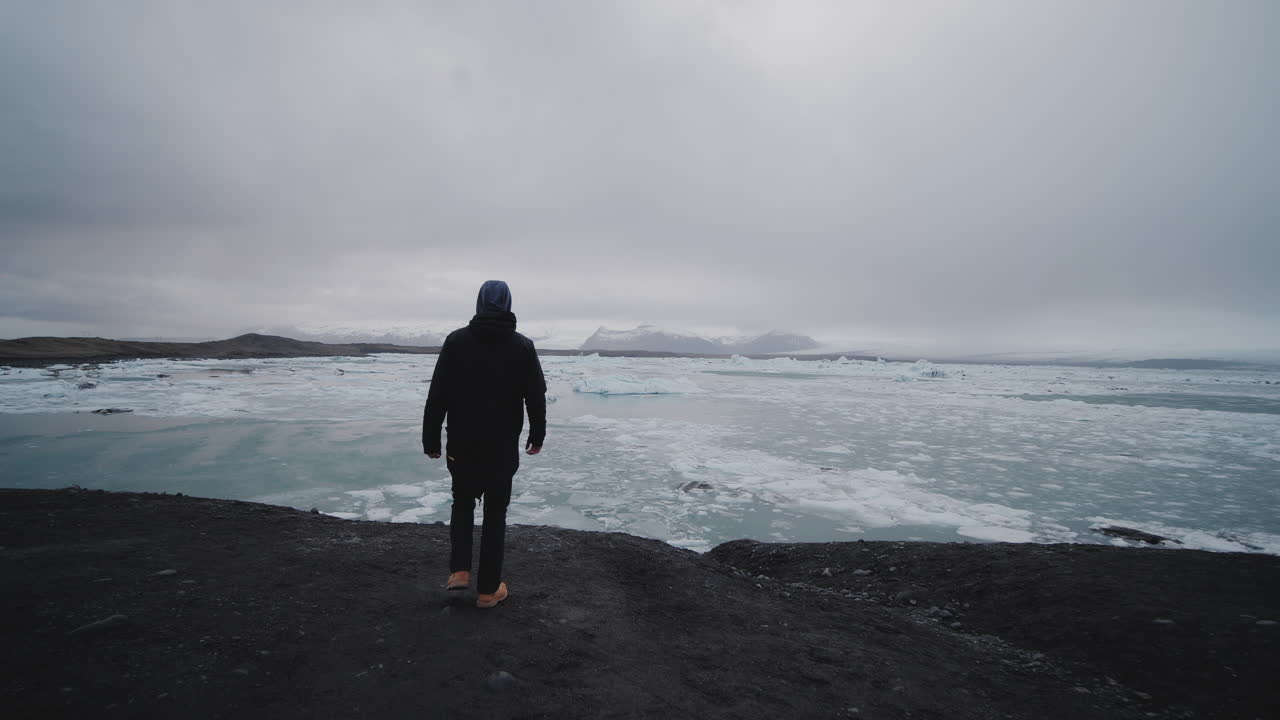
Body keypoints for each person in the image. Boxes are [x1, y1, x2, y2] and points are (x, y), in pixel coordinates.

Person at [422, 280, 547, 608]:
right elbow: (535, 396)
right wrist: (537, 436)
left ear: (478, 303)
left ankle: (460, 572)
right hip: (501, 446)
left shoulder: (456, 342)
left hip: (461, 443)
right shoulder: (522, 346)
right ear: (508, 303)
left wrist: (431, 438)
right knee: (495, 512)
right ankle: (489, 591)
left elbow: (438, 395)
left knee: (462, 502)